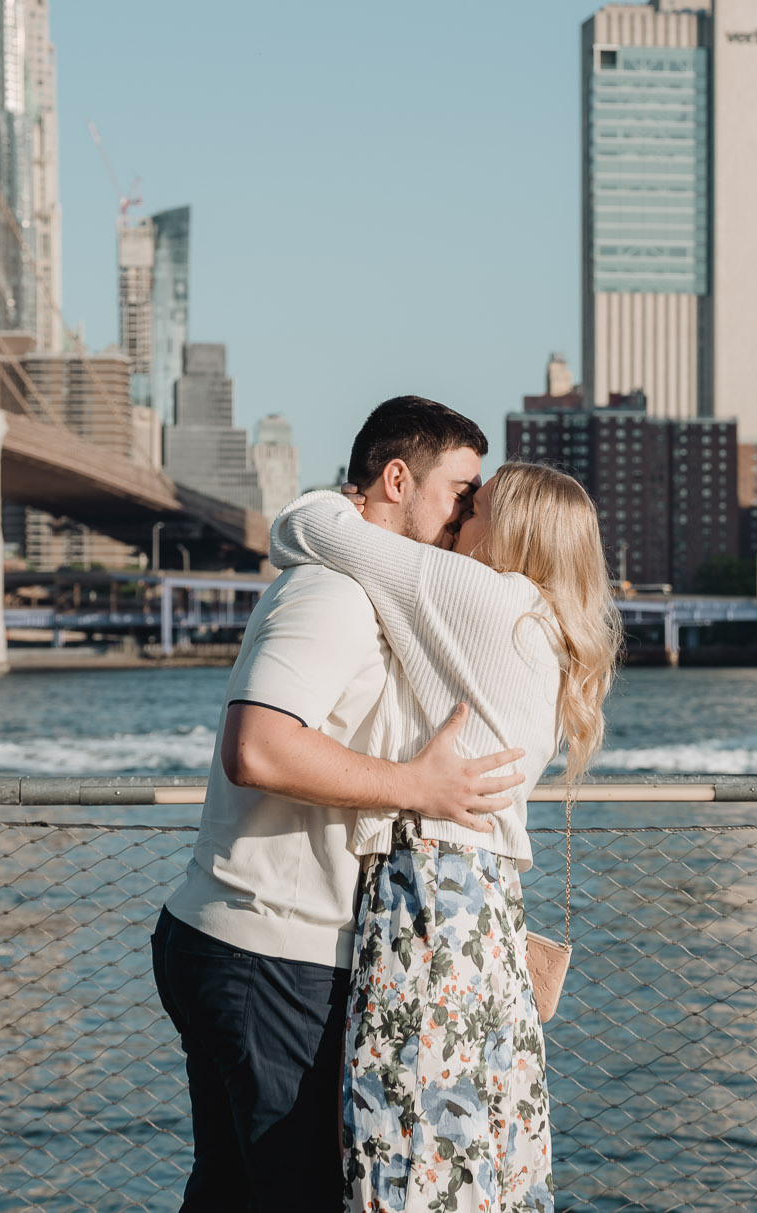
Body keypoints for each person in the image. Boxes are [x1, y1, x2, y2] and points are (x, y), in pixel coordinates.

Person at [152, 396, 524, 1212]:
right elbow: (256, 745)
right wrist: (417, 787)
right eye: (459, 492)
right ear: (398, 478)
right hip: (268, 949)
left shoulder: (359, 587)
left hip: (244, 941)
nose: (466, 515)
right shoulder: (333, 594)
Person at [266, 462, 621, 1212]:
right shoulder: (546, 630)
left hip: (427, 897)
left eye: (474, 506)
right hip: (488, 908)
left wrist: (349, 493)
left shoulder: (479, 595)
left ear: (513, 531)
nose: (457, 520)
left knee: (404, 1138)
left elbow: (301, 527)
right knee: (484, 1144)